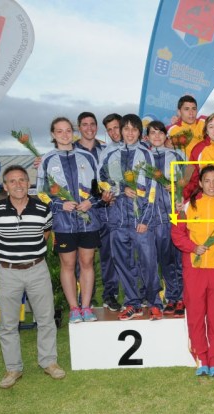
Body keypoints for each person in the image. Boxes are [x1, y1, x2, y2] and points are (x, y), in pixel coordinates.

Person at [0, 165, 66, 389]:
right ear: (5, 186)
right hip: (8, 271)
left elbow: (44, 235)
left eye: (22, 180)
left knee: (46, 319)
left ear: (29, 183)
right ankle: (13, 368)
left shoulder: (42, 209)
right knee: (8, 324)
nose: (18, 184)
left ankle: (49, 362)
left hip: (37, 269)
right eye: (12, 181)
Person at [171, 165, 214, 377]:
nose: (211, 185)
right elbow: (177, 234)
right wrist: (193, 247)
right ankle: (201, 358)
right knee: (195, 314)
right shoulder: (187, 206)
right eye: (207, 181)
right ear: (200, 183)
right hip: (194, 269)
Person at [36, 117, 102, 324]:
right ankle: (74, 308)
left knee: (87, 263)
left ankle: (86, 306)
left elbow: (100, 187)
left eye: (68, 130)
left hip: (88, 221)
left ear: (73, 133)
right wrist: (59, 205)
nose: (64, 135)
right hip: (63, 223)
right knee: (68, 264)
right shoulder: (47, 160)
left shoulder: (87, 157)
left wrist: (91, 202)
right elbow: (41, 192)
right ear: (53, 134)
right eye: (60, 131)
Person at [99, 114, 163, 321]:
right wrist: (119, 189)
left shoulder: (146, 154)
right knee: (123, 263)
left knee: (148, 262)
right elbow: (101, 181)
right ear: (120, 131)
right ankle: (132, 303)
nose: (129, 133)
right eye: (125, 128)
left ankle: (154, 302)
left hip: (140, 220)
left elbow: (152, 189)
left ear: (139, 132)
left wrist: (145, 220)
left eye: (134, 129)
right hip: (118, 220)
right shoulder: (111, 155)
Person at [73, 111, 121, 312]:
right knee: (84, 259)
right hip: (84, 211)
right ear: (79, 127)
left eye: (92, 124)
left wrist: (112, 194)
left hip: (106, 209)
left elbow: (115, 177)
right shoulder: (70, 151)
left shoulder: (105, 150)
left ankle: (110, 295)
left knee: (109, 255)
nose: (89, 128)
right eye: (85, 124)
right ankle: (86, 297)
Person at [145, 120, 185, 317]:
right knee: (164, 259)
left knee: (179, 258)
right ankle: (171, 296)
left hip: (174, 215)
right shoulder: (144, 158)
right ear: (147, 137)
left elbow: (187, 183)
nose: (157, 136)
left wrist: (177, 189)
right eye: (153, 133)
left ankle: (182, 297)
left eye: (160, 132)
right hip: (154, 217)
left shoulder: (177, 156)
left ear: (165, 136)